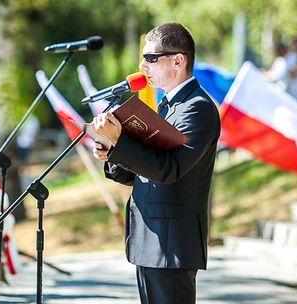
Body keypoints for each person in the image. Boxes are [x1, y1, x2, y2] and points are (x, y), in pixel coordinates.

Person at [92, 23, 220, 303]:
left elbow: (169, 169)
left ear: (178, 60)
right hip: (151, 241)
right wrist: (113, 152)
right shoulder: (168, 105)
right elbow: (144, 173)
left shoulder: (197, 107)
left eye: (150, 58)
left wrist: (121, 144)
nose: (142, 65)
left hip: (171, 246)